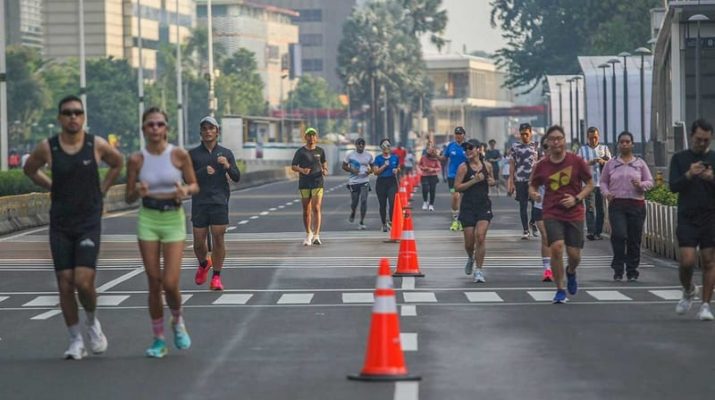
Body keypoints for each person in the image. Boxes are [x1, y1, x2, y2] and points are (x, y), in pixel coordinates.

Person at [24, 95, 123, 360]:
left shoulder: (95, 144)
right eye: (67, 113)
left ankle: (91, 323)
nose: (72, 117)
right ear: (59, 117)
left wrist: (102, 189)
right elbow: (30, 168)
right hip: (60, 222)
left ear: (83, 117)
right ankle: (75, 339)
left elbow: (117, 163)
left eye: (77, 112)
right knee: (65, 284)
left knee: (83, 281)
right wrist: (50, 185)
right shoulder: (49, 147)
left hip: (88, 221)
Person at [125, 107, 199, 358]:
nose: (155, 129)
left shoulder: (178, 155)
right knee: (154, 283)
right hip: (148, 217)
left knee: (170, 283)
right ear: (144, 129)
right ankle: (158, 339)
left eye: (159, 124)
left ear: (166, 128)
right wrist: (138, 191)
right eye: (150, 125)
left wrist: (185, 192)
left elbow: (194, 184)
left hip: (173, 218)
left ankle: (177, 321)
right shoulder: (137, 159)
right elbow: (127, 196)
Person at [529, 125, 593, 304]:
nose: (556, 142)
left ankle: (571, 272)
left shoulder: (576, 161)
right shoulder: (542, 165)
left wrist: (577, 198)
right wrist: (533, 193)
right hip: (551, 211)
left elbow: (589, 184)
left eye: (559, 138)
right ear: (547, 143)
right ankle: (560, 289)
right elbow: (532, 185)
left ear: (564, 141)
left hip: (574, 213)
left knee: (574, 255)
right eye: (552, 139)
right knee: (556, 248)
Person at [669, 119, 715, 321]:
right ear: (691, 136)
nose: (702, 144)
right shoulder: (679, 158)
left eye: (706, 140)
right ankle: (688, 289)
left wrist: (711, 178)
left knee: (709, 261)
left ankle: (705, 305)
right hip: (687, 216)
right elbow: (673, 186)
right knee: (687, 260)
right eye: (698, 139)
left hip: (710, 216)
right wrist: (689, 174)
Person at [189, 116, 241, 291]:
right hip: (199, 201)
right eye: (204, 129)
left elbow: (237, 177)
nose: (208, 131)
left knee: (218, 236)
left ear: (217, 131)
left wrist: (227, 166)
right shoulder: (194, 154)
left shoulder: (226, 153)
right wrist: (203, 172)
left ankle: (216, 277)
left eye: (211, 128)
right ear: (201, 133)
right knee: (198, 242)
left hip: (219, 200)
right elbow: (186, 178)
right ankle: (204, 263)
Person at [600, 131, 654, 282]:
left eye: (627, 141)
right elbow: (603, 181)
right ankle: (618, 268)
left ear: (632, 144)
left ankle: (632, 270)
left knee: (634, 238)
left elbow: (650, 181)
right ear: (618, 144)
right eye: (622, 142)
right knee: (619, 235)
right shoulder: (612, 163)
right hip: (617, 204)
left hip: (636, 204)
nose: (624, 144)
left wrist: (641, 185)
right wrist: (606, 193)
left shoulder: (639, 163)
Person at [455, 139, 495, 283]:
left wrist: (492, 182)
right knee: (469, 243)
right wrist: (474, 181)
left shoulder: (487, 166)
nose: (468, 151)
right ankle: (470, 257)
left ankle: (478, 270)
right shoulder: (463, 168)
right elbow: (457, 187)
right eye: (465, 149)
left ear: (478, 149)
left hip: (483, 205)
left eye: (470, 148)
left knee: (480, 236)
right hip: (468, 207)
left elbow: (492, 180)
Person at [291, 127, 328, 246]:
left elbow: (323, 162)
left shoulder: (320, 151)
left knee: (316, 208)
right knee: (306, 210)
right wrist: (302, 170)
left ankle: (317, 235)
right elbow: (293, 166)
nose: (311, 137)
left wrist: (325, 169)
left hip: (317, 182)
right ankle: (308, 233)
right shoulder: (301, 151)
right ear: (305, 137)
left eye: (313, 135)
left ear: (316, 137)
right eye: (309, 135)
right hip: (304, 183)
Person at [577, 127, 612, 240]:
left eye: (595, 137)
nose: (593, 140)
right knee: (590, 208)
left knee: (600, 209)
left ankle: (598, 232)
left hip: (601, 183)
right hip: (588, 184)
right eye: (591, 138)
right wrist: (589, 162)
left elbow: (611, 164)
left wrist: (603, 162)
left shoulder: (604, 148)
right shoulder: (582, 150)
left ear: (598, 137)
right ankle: (591, 232)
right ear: (587, 137)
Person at [508, 123, 540, 239]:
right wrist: (511, 181)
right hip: (520, 180)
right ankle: (525, 230)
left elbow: (540, 163)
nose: (524, 136)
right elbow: (512, 165)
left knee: (536, 204)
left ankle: (533, 222)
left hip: (534, 181)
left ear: (530, 133)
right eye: (522, 134)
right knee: (523, 205)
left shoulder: (536, 146)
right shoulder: (515, 146)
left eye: (526, 134)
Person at [342, 137, 373, 230]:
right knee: (354, 202)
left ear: (364, 145)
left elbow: (373, 167)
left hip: (365, 181)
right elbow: (343, 166)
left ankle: (362, 221)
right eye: (359, 144)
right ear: (355, 145)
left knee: (364, 201)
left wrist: (369, 171)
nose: (361, 145)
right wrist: (352, 170)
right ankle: (353, 212)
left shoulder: (368, 155)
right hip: (353, 181)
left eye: (362, 144)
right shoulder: (350, 155)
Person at [533, 136, 553, 282]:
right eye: (546, 147)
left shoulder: (565, 165)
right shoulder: (538, 166)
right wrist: (533, 193)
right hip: (540, 206)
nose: (549, 150)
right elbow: (532, 184)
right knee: (546, 236)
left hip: (558, 207)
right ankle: (547, 269)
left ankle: (556, 265)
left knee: (556, 240)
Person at [442, 126, 468, 231]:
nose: (458, 136)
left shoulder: (468, 146)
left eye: (460, 134)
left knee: (464, 198)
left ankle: (462, 221)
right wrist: (435, 155)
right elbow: (444, 158)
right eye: (456, 134)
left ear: (463, 135)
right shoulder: (451, 146)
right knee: (455, 196)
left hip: (465, 176)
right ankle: (455, 220)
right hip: (452, 176)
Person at [374, 138, 400, 232]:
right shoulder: (378, 159)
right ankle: (384, 223)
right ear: (381, 147)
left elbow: (398, 167)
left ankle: (391, 222)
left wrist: (396, 170)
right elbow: (376, 172)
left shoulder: (395, 157)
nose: (387, 147)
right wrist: (384, 166)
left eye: (389, 145)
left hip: (392, 182)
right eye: (385, 145)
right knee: (382, 205)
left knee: (392, 203)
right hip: (381, 183)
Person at [418, 144, 441, 211]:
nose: (430, 151)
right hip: (425, 175)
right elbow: (419, 165)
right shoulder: (423, 157)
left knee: (432, 190)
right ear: (427, 150)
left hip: (433, 176)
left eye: (432, 150)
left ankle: (431, 204)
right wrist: (423, 168)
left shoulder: (436, 159)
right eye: (429, 150)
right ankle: (425, 202)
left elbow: (439, 168)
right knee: (425, 189)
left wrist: (433, 169)